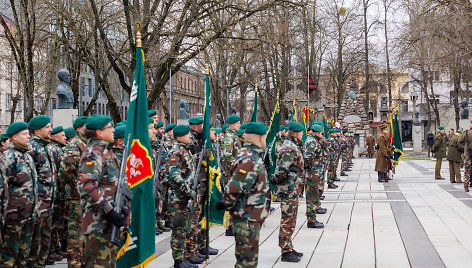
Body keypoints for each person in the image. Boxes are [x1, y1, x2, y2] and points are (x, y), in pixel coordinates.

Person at [78, 114, 130, 268]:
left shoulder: (107, 152)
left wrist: (123, 206)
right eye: (110, 127)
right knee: (98, 263)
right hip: (97, 221)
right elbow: (87, 185)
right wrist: (109, 210)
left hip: (108, 220)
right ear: (99, 132)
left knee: (108, 262)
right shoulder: (93, 153)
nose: (113, 130)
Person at [218, 122, 270, 268]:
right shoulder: (249, 158)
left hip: (250, 215)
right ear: (260, 138)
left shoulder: (251, 155)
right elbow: (235, 188)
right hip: (246, 216)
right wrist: (228, 204)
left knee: (247, 260)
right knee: (247, 261)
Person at [0, 122, 37, 267]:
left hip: (27, 216)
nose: (29, 136)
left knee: (24, 256)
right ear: (14, 137)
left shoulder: (26, 156)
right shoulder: (8, 158)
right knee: (8, 258)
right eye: (25, 134)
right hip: (13, 217)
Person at [273, 122, 305, 262]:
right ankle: (285, 250)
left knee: (291, 218)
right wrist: (277, 180)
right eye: (301, 133)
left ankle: (289, 246)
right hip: (288, 188)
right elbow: (281, 169)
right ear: (297, 133)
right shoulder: (289, 147)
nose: (302, 135)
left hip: (292, 187)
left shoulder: (292, 145)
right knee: (287, 219)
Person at [58, 116, 88, 267]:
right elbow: (65, 172)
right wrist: (77, 182)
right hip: (77, 198)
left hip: (89, 198)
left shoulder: (90, 143)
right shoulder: (74, 145)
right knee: (76, 236)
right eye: (86, 125)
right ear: (78, 129)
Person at [167, 124, 198, 268]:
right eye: (187, 134)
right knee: (179, 230)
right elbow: (174, 175)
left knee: (185, 229)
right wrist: (187, 190)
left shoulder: (184, 150)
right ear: (179, 136)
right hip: (179, 198)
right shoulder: (175, 152)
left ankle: (183, 257)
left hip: (186, 198)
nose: (190, 136)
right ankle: (178, 261)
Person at [27, 115, 55, 267]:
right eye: (47, 127)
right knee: (34, 246)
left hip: (47, 203)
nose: (51, 129)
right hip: (38, 205)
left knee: (45, 243)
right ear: (37, 130)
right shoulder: (32, 148)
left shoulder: (45, 146)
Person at [47, 126, 68, 263]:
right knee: (54, 223)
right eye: (62, 135)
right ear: (55, 137)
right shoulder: (54, 149)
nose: (65, 138)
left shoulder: (57, 149)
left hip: (58, 192)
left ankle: (55, 248)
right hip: (56, 193)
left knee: (58, 222)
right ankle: (52, 249)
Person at [221, 115, 242, 237]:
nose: (239, 125)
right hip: (231, 173)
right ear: (231, 124)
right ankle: (230, 226)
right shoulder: (229, 137)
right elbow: (228, 156)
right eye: (238, 123)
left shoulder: (233, 136)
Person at [303, 124, 326, 229]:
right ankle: (311, 220)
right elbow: (307, 159)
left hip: (314, 174)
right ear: (317, 132)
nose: (322, 135)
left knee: (314, 196)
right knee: (312, 197)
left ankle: (312, 218)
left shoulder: (313, 140)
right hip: (312, 175)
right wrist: (311, 170)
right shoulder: (312, 142)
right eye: (321, 133)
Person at [458, 122, 472, 192]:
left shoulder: (467, 133)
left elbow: (460, 140)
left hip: (468, 155)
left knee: (467, 172)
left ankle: (466, 186)